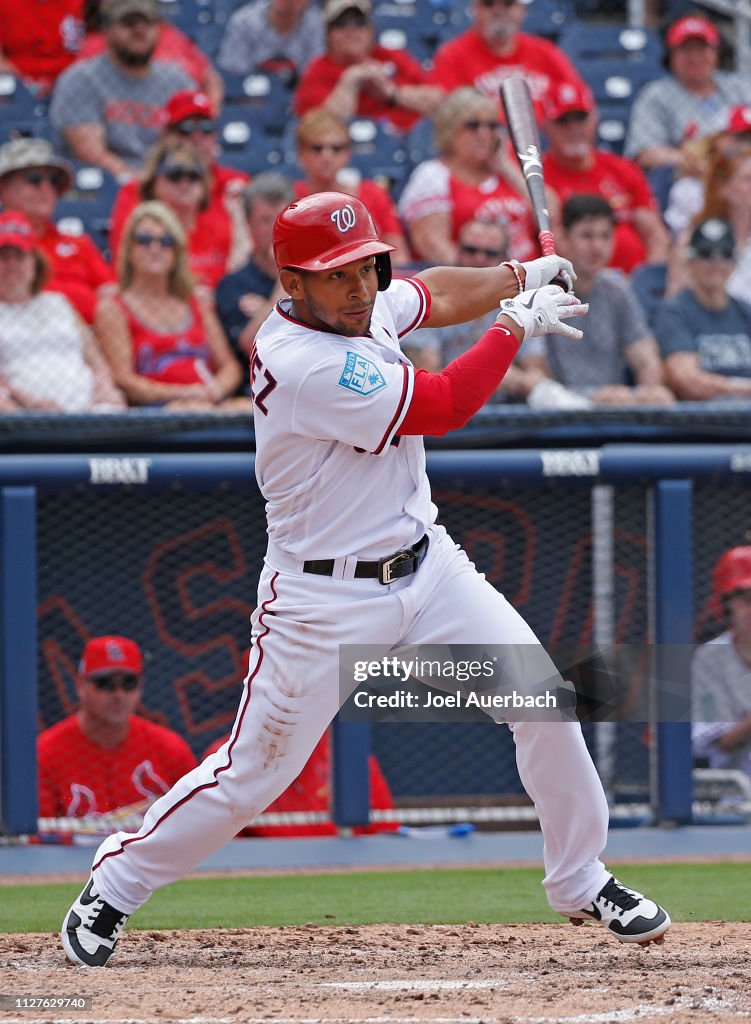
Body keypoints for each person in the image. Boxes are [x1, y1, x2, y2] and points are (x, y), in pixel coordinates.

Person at [62, 190, 670, 967]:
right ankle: (115, 883)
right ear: (292, 281)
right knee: (253, 775)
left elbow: (436, 290)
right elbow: (444, 405)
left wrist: (518, 271)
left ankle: (580, 877)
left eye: (366, 267)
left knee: (542, 701)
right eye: (335, 274)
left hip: (427, 563)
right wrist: (515, 322)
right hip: (321, 597)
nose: (358, 287)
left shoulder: (364, 306)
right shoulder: (299, 360)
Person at [405, 216, 591, 411]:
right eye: (471, 250)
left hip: (506, 419)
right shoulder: (433, 295)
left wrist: (524, 380)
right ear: (457, 250)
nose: (479, 259)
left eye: (490, 253)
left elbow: (537, 371)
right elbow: (425, 379)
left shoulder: (524, 299)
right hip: (447, 416)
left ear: (505, 258)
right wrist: (487, 374)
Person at [523, 195, 674, 406]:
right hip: (555, 420)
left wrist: (650, 392)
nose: (597, 247)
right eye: (587, 236)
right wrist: (590, 400)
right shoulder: (535, 293)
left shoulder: (618, 289)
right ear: (563, 239)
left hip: (614, 413)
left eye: (605, 237)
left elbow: (646, 358)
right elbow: (535, 371)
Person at [95, 200, 244, 409]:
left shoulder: (196, 303)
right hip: (155, 412)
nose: (155, 248)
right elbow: (124, 380)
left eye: (166, 241)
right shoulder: (114, 308)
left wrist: (216, 389)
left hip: (206, 401)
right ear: (129, 248)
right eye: (144, 239)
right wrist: (184, 394)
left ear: (177, 252)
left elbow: (229, 365)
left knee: (249, 410)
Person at [38, 635, 197, 824]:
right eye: (105, 683)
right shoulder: (46, 753)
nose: (118, 695)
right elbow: (35, 838)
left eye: (128, 683)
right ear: (81, 686)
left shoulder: (170, 748)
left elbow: (199, 820)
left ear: (140, 687)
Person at [109, 90, 252, 277]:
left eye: (207, 128)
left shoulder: (236, 186)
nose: (197, 137)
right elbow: (124, 260)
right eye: (186, 129)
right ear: (166, 135)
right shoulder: (136, 192)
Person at [49, 0, 194, 179]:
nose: (139, 31)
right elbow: (90, 152)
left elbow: (192, 145)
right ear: (107, 29)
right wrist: (139, 184)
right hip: (107, 185)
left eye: (147, 23)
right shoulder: (81, 78)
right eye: (129, 23)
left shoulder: (178, 80)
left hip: (167, 181)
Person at [0, 210, 124, 413]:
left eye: (19, 256)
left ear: (34, 263)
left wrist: (105, 389)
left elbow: (96, 361)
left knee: (112, 408)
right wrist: (29, 403)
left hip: (90, 407)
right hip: (23, 413)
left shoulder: (59, 303)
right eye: (3, 257)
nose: (11, 265)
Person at [541, 81, 669, 275]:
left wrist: (646, 283)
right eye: (564, 121)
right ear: (547, 126)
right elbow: (555, 243)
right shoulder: (538, 177)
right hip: (575, 286)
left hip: (632, 285)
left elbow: (655, 234)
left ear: (594, 120)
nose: (574, 129)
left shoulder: (622, 168)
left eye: (581, 119)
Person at [398, 87, 537, 265]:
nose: (484, 134)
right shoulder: (433, 175)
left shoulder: (506, 173)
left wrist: (506, 167)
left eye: (491, 126)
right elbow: (433, 246)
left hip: (529, 279)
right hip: (477, 283)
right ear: (450, 130)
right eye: (473, 125)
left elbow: (550, 216)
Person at [0, 137, 113, 325]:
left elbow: (109, 293)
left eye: (53, 181)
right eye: (34, 179)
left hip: (82, 343)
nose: (46, 188)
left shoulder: (79, 244)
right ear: (3, 188)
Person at [293, 0, 443, 134]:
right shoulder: (318, 70)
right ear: (327, 34)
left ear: (371, 30)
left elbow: (440, 105)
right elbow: (318, 132)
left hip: (407, 143)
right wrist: (349, 81)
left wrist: (393, 93)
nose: (350, 31)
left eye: (359, 23)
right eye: (340, 24)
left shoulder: (392, 56)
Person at [625, 15, 751, 174]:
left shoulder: (740, 87)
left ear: (716, 53)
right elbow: (645, 153)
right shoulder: (656, 95)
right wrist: (691, 161)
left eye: (702, 48)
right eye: (686, 49)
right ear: (670, 55)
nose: (695, 56)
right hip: (687, 182)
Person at [109, 140, 236, 289]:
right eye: (175, 175)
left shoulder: (221, 225)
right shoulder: (144, 233)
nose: (185, 182)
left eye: (193, 175)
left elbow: (236, 277)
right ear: (153, 183)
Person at [428, 0, 585, 122]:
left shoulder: (547, 53)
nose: (498, 11)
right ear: (475, 9)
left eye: (508, 3)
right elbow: (448, 115)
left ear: (522, 10)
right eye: (488, 3)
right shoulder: (452, 56)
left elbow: (578, 100)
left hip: (544, 146)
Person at [293, 108, 409, 264]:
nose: (327, 156)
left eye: (336, 148)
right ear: (301, 153)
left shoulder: (372, 194)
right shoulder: (290, 199)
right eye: (317, 148)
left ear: (347, 154)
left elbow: (398, 255)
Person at [216, 173, 295, 394]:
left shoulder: (314, 275)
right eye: (265, 220)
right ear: (248, 223)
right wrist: (285, 276)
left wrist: (265, 311)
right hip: (258, 390)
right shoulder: (232, 286)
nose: (275, 228)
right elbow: (253, 342)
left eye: (282, 219)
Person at [656, 218, 751, 400]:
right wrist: (743, 388)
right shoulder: (675, 312)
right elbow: (686, 380)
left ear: (734, 262)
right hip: (702, 421)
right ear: (690, 261)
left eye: (725, 254)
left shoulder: (745, 312)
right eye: (706, 254)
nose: (716, 263)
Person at [77, 0, 224, 111]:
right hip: (125, 133)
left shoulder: (171, 35)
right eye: (130, 23)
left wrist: (202, 121)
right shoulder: (95, 45)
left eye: (145, 21)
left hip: (180, 133)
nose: (139, 28)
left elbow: (211, 80)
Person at [692, 547, 751, 781]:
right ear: (726, 604)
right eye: (747, 599)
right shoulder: (711, 659)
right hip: (735, 797)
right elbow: (715, 745)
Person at [217, 0, 325, 89]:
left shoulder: (317, 24)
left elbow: (315, 78)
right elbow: (233, 76)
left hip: (298, 98)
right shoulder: (244, 21)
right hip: (251, 100)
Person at [0, 0, 84, 94]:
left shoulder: (80, 4)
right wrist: (27, 84)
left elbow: (93, 49)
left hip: (71, 84)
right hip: (17, 85)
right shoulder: (5, 4)